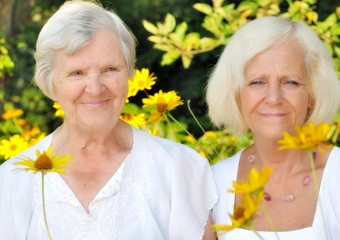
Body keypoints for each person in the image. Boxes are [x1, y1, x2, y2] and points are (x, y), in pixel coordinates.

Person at [0, 1, 218, 239]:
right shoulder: (12, 181)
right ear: (50, 83)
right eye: (77, 73)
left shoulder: (180, 170)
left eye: (110, 69)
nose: (95, 88)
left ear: (129, 73)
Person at [206, 16, 340, 240]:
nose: (274, 98)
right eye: (257, 82)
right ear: (237, 95)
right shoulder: (213, 185)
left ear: (312, 95)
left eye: (291, 82)